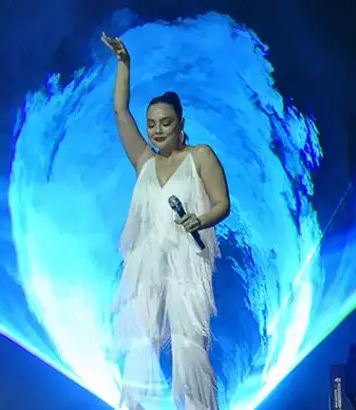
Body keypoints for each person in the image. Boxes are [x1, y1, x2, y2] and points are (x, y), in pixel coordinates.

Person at [102, 32, 231, 410]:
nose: (158, 130)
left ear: (180, 123)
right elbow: (120, 112)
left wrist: (199, 220)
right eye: (152, 124)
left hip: (186, 263)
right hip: (146, 263)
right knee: (140, 343)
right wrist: (124, 64)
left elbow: (223, 204)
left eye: (166, 123)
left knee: (188, 342)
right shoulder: (145, 161)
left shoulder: (200, 156)